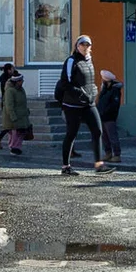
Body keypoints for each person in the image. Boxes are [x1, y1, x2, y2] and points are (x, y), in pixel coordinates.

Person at [55, 35, 108, 175]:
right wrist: (80, 93)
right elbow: (65, 83)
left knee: (97, 131)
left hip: (88, 103)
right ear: (77, 46)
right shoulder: (71, 61)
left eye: (88, 45)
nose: (85, 47)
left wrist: (94, 90)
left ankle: (99, 165)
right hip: (72, 105)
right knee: (71, 134)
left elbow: (89, 82)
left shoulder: (89, 60)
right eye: (82, 45)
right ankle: (66, 167)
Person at [0, 62, 33, 157]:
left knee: (19, 132)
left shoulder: (20, 89)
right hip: (14, 116)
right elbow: (9, 105)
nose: (23, 82)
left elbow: (23, 103)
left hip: (21, 115)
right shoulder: (10, 91)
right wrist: (13, 116)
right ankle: (14, 147)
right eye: (21, 80)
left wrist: (26, 111)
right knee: (14, 132)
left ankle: (15, 147)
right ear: (17, 81)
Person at [96, 73, 126, 169]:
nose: (102, 81)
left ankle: (117, 155)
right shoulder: (105, 90)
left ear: (107, 81)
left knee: (112, 136)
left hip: (109, 117)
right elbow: (101, 101)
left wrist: (105, 112)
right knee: (104, 136)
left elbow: (114, 105)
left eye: (103, 80)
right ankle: (108, 153)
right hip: (102, 116)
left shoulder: (115, 91)